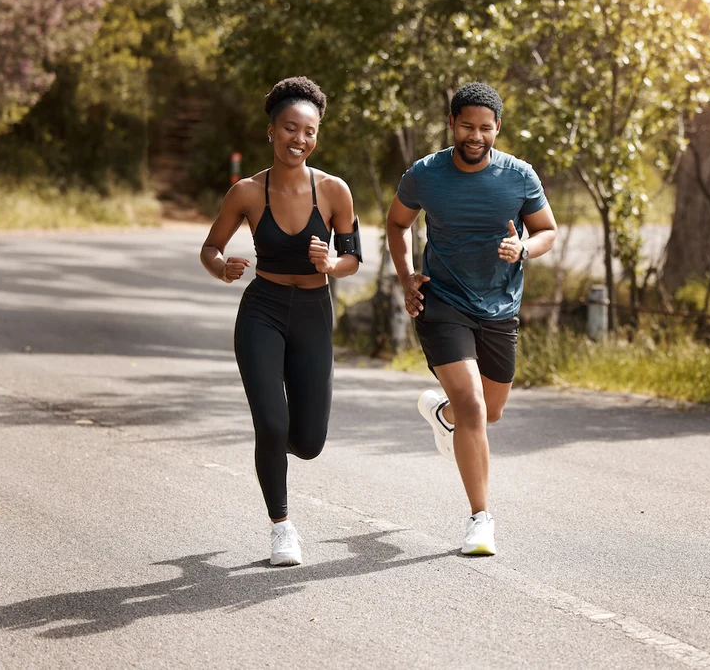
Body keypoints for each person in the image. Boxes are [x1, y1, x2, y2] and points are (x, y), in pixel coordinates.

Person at [386, 82, 558, 556]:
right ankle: (480, 519)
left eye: (485, 127)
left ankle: (444, 416)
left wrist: (524, 247)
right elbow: (397, 223)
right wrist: (406, 278)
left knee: (490, 410)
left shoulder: (519, 176)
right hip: (442, 302)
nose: (476, 135)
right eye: (467, 126)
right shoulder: (425, 175)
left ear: (497, 127)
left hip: (500, 306)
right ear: (452, 124)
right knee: (475, 407)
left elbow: (547, 231)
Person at [200, 76, 362, 566]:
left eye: (309, 131)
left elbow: (354, 257)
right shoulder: (246, 193)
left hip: (314, 312)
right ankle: (282, 527)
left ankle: (278, 445)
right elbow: (210, 247)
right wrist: (221, 268)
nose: (299, 139)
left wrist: (331, 265)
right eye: (290, 128)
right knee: (271, 425)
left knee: (308, 442)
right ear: (271, 131)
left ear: (317, 136)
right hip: (262, 311)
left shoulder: (334, 191)